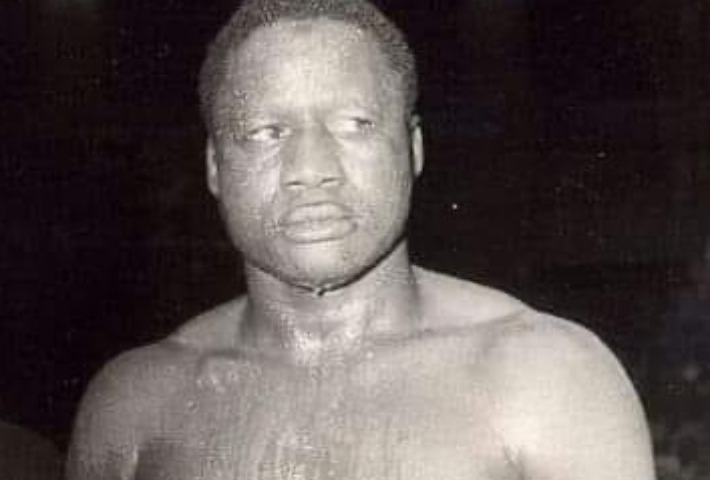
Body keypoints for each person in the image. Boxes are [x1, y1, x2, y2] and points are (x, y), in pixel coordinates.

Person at [67, 1, 656, 478]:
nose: (311, 167)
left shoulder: (547, 377)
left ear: (413, 148)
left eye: (355, 125)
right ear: (216, 167)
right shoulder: (134, 403)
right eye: (266, 132)